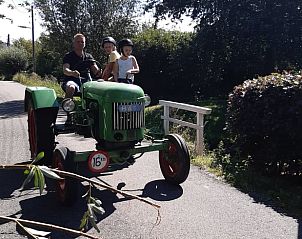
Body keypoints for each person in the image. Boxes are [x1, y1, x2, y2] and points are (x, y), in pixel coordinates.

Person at [62, 33, 102, 98]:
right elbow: (65, 70)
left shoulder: (89, 57)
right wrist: (72, 73)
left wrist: (98, 72)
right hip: (72, 81)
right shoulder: (68, 56)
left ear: (85, 44)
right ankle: (67, 105)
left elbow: (95, 70)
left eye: (82, 42)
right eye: (78, 42)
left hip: (87, 82)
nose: (80, 43)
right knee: (71, 87)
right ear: (74, 43)